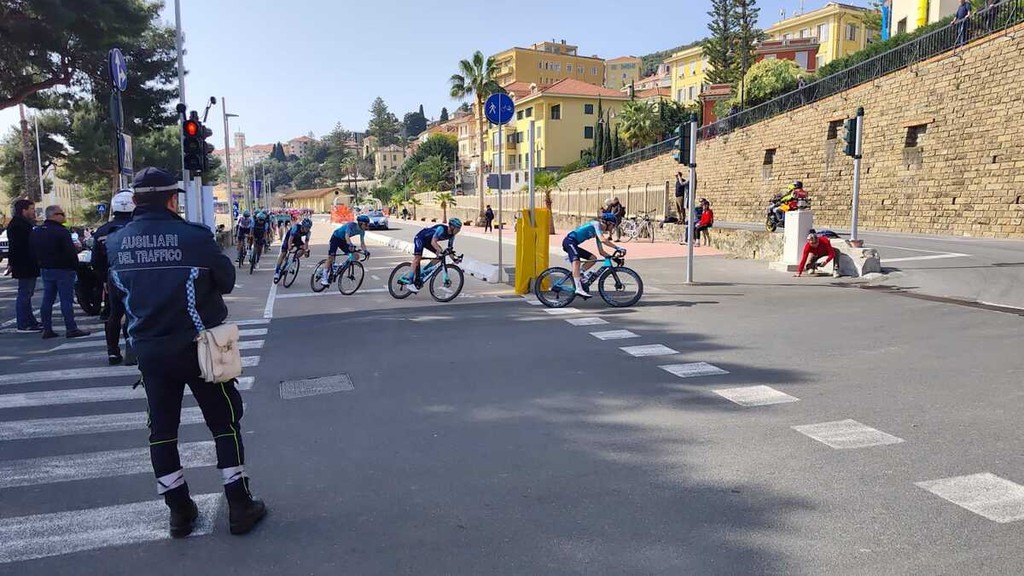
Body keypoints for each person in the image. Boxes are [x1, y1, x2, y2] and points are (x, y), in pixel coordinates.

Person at [107, 167, 266, 538]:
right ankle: (239, 504)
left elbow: (117, 300)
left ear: (136, 200)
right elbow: (226, 281)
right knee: (224, 423)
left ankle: (179, 511)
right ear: (171, 200)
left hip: (150, 351)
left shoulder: (114, 243)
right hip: (200, 348)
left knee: (162, 432)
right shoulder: (194, 236)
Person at [30, 205, 90, 339]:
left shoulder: (37, 231)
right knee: (66, 300)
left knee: (47, 299)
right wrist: (75, 266)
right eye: (61, 214)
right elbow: (70, 252)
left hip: (46, 268)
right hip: (64, 269)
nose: (64, 216)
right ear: (53, 215)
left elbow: (32, 250)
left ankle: (47, 329)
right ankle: (71, 328)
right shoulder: (61, 231)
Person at [92, 190, 136, 364]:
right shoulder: (138, 227)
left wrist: (104, 279)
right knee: (135, 312)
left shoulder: (102, 231)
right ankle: (132, 349)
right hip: (136, 275)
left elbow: (96, 260)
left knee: (114, 314)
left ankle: (113, 351)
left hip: (113, 275)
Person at [562, 212, 622, 298]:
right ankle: (578, 288)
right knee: (576, 261)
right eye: (613, 225)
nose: (613, 228)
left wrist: (613, 258)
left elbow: (601, 252)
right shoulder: (596, 224)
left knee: (593, 258)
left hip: (573, 244)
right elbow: (603, 240)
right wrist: (617, 248)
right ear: (608, 222)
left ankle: (580, 274)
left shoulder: (599, 232)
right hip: (569, 241)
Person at [8, 199, 42, 333]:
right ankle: (23, 324)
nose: (34, 212)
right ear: (24, 210)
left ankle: (30, 321)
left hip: (25, 264)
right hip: (25, 265)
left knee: (27, 293)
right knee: (25, 294)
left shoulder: (22, 224)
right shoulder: (19, 225)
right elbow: (21, 247)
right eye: (32, 209)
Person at [409, 218, 462, 293]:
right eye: (457, 229)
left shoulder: (452, 236)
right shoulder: (441, 229)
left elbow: (449, 250)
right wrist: (440, 250)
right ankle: (410, 283)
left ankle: (425, 271)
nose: (458, 231)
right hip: (420, 238)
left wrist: (454, 259)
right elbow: (433, 242)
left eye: (459, 229)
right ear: (451, 227)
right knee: (417, 258)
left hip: (429, 241)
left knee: (440, 257)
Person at [320, 215, 370, 286]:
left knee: (355, 256)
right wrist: (350, 244)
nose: (367, 226)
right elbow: (347, 236)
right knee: (331, 257)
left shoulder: (362, 231)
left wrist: (366, 251)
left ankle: (340, 266)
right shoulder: (351, 225)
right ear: (361, 223)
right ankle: (324, 278)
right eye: (366, 224)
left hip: (343, 241)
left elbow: (362, 243)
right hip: (336, 238)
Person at [273, 217, 312, 284]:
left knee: (303, 249)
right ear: (302, 226)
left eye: (309, 227)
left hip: (297, 239)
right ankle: (277, 272)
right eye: (306, 227)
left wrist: (306, 251)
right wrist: (289, 247)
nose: (307, 229)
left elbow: (306, 243)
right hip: (289, 238)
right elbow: (290, 239)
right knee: (283, 253)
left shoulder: (308, 232)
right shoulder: (295, 227)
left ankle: (293, 260)